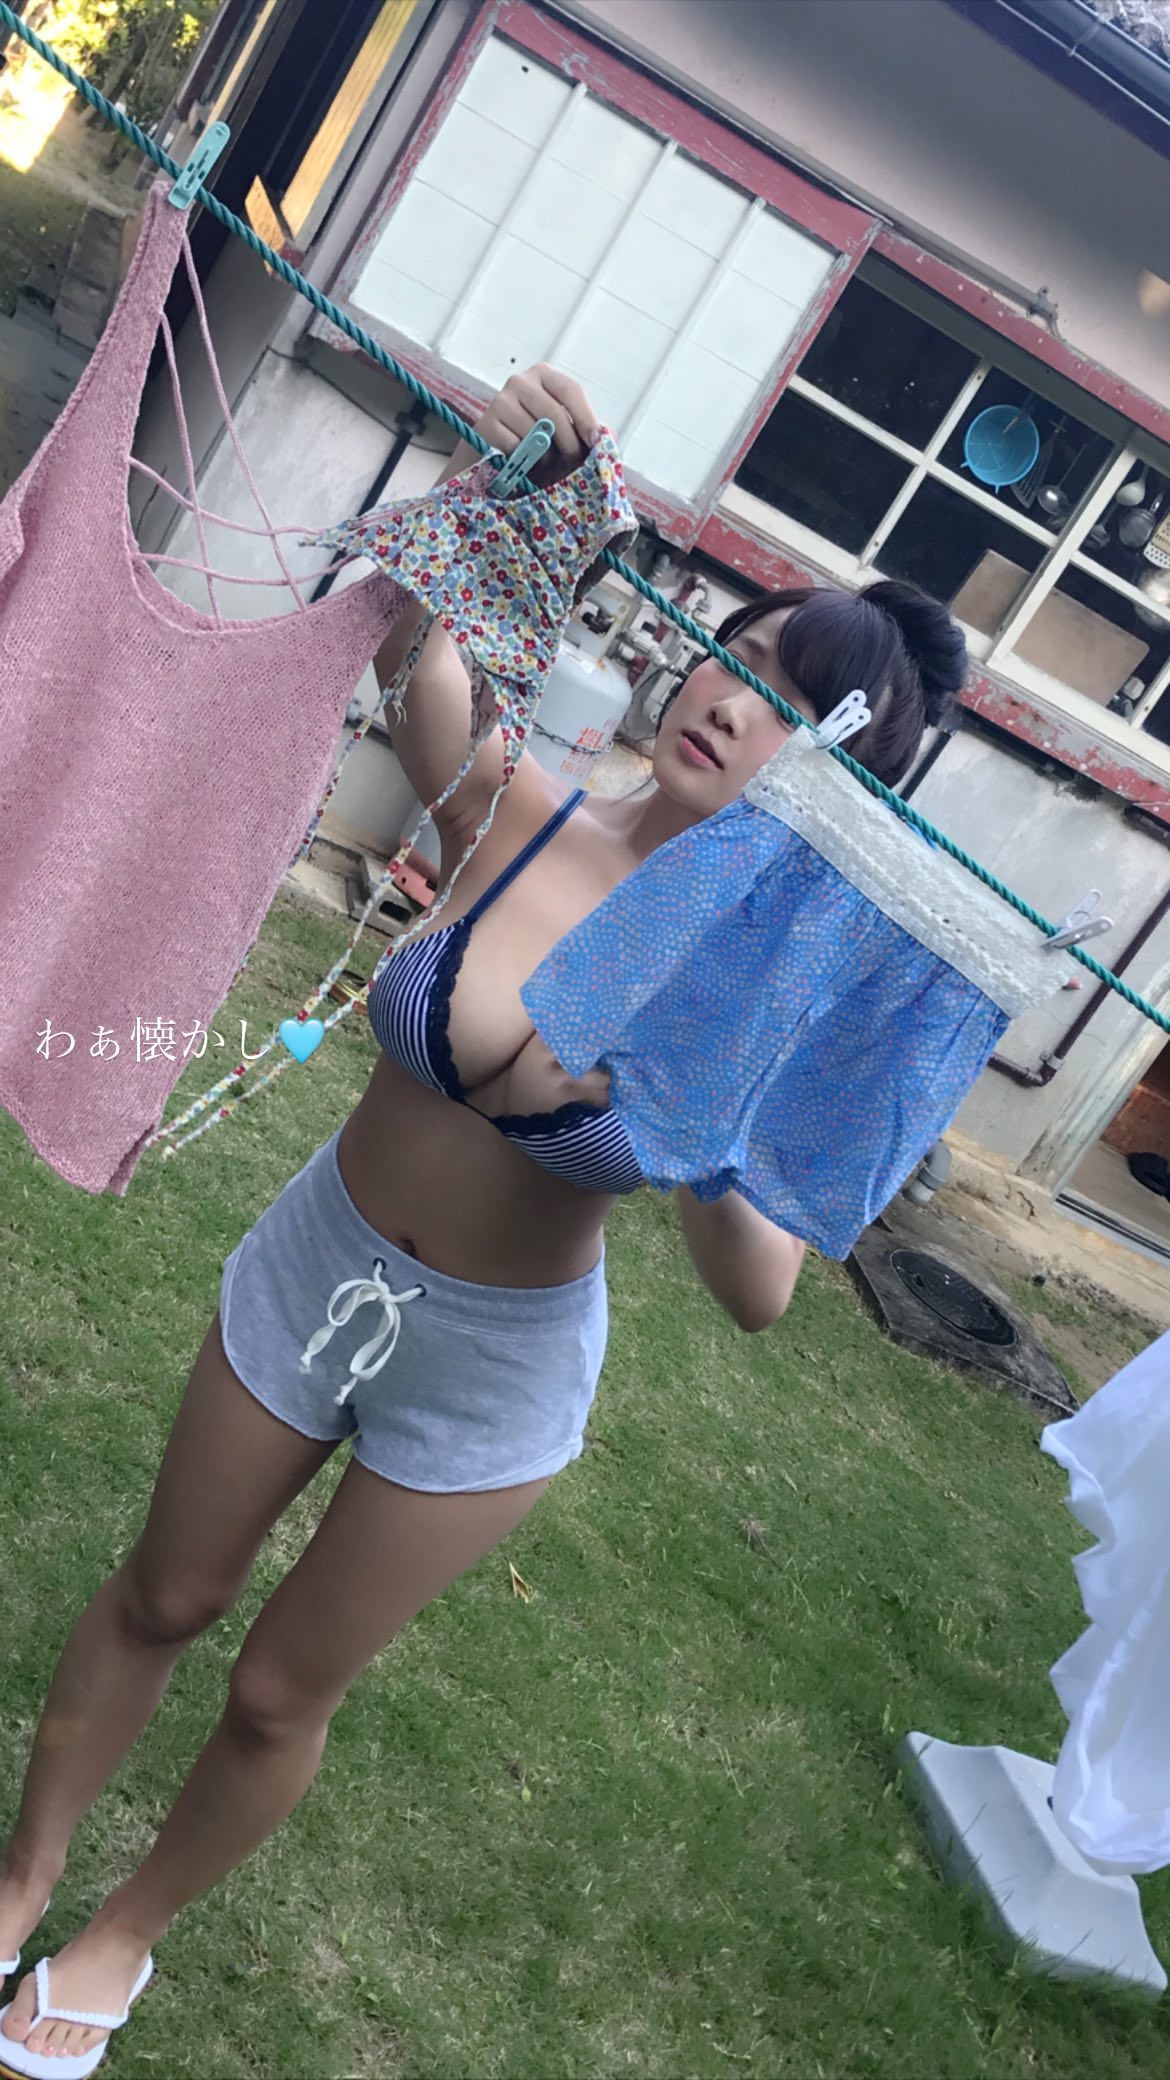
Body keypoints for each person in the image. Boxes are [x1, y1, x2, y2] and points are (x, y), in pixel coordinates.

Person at [0, 364, 964, 2072]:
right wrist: (505, 478)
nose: (736, 708)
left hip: (492, 1372)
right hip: (322, 1259)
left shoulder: (758, 998)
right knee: (164, 1592)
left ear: (831, 795)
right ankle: (20, 1880)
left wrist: (708, 1103)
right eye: (746, 657)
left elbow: (757, 1290)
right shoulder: (517, 811)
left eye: (796, 716)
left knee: (279, 1690)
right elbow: (411, 643)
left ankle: (122, 1934)